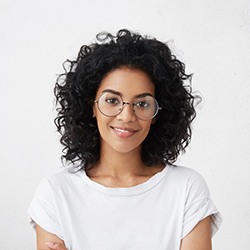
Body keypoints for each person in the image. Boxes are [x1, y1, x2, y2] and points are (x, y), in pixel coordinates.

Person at [28, 29, 222, 250]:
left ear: (157, 114)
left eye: (142, 103)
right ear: (91, 106)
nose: (126, 116)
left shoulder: (186, 189)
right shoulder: (55, 193)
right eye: (112, 100)